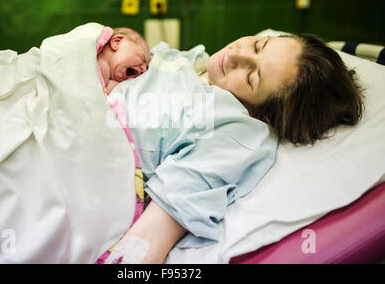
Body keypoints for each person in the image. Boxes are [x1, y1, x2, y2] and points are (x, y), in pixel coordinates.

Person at [103, 32, 364, 264]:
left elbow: (147, 241)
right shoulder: (189, 61)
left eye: (251, 77)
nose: (236, 54)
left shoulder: (236, 131)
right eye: (259, 44)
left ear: (260, 115)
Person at [97, 27, 151, 94]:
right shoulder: (99, 62)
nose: (144, 70)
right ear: (117, 42)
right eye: (143, 58)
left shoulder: (113, 84)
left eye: (147, 67)